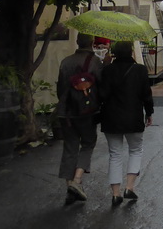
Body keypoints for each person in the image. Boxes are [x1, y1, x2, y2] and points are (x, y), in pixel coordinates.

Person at [98, 41, 153, 207]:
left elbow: (102, 95)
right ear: (131, 52)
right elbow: (146, 94)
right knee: (135, 150)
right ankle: (129, 187)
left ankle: (115, 194)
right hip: (133, 117)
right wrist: (149, 113)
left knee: (115, 154)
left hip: (111, 118)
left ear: (114, 53)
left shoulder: (107, 70)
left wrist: (105, 66)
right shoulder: (140, 70)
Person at [57, 33, 103, 204]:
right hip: (87, 111)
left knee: (70, 146)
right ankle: (77, 180)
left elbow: (61, 87)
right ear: (91, 43)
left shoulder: (66, 61)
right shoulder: (96, 62)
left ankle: (70, 185)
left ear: (77, 42)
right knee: (88, 142)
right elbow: (101, 86)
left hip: (66, 111)